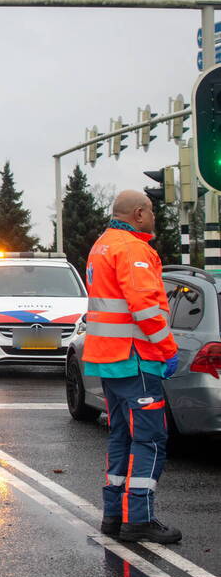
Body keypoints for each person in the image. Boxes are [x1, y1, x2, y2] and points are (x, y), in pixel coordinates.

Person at [83, 190, 181, 544]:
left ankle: (114, 515)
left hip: (108, 360)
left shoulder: (101, 246)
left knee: (121, 436)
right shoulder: (134, 249)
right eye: (152, 211)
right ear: (138, 214)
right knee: (151, 439)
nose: (154, 216)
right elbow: (146, 308)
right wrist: (169, 349)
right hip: (136, 357)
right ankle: (139, 518)